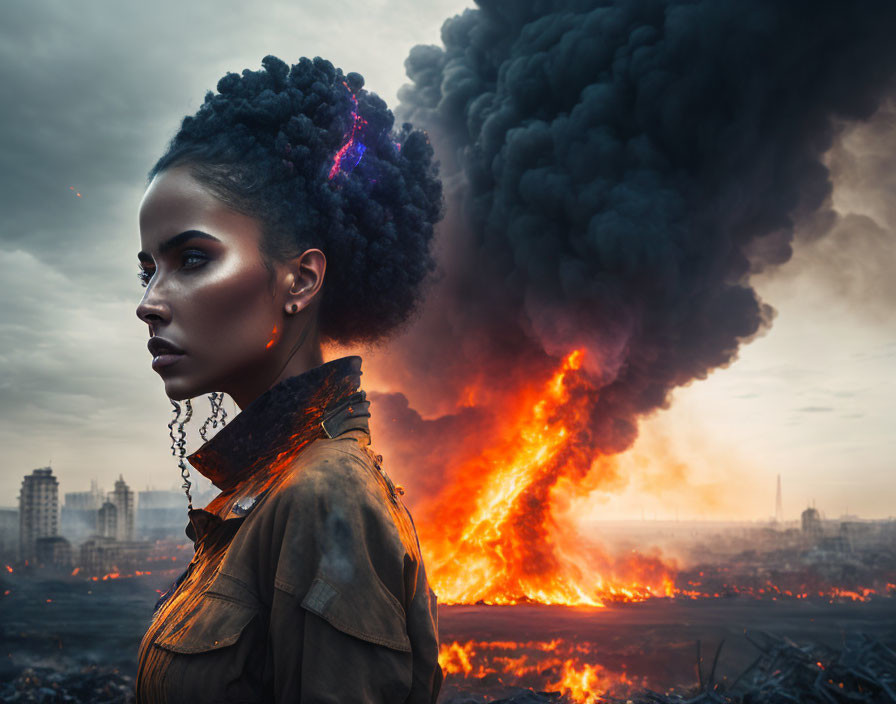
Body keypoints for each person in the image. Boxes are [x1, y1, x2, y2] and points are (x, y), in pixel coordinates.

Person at [133, 54, 444, 703]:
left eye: (192, 259)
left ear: (299, 280)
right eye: (148, 270)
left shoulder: (326, 500)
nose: (150, 302)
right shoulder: (263, 491)